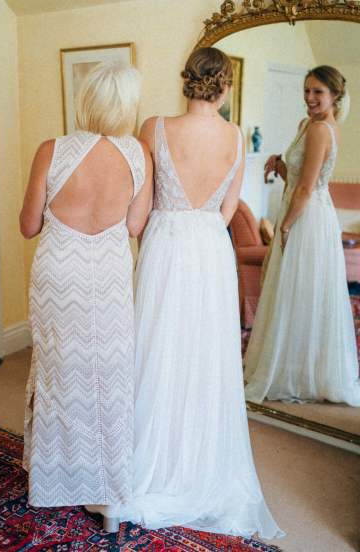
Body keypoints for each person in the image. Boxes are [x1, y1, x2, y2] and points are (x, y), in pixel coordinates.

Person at [119, 47, 283, 538]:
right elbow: (229, 208)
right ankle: (202, 468)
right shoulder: (234, 136)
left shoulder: (154, 127)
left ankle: (152, 463)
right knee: (205, 357)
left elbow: (140, 214)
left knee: (156, 350)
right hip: (211, 249)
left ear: (186, 80)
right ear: (225, 86)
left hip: (166, 246)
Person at [19, 60, 153, 531]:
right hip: (110, 275)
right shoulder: (138, 154)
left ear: (87, 99)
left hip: (59, 273)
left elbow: (28, 225)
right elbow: (136, 227)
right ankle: (109, 497)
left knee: (59, 370)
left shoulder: (51, 149)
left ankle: (56, 480)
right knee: (108, 379)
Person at [244, 65, 360, 406]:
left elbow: (308, 188)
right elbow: (298, 178)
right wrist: (280, 166)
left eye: (318, 92)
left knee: (302, 290)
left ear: (335, 96)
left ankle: (298, 373)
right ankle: (290, 365)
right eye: (307, 90)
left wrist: (285, 225)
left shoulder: (321, 130)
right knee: (291, 292)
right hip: (302, 210)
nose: (309, 98)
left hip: (307, 218)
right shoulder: (307, 125)